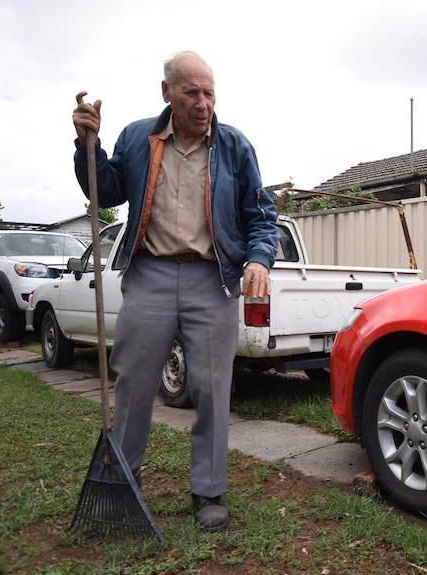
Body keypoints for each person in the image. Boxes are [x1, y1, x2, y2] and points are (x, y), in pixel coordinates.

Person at [72, 50, 279, 532]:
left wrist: (258, 258)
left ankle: (208, 492)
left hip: (213, 278)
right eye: (191, 92)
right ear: (167, 92)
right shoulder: (138, 137)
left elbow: (260, 215)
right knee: (134, 383)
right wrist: (89, 144)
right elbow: (105, 189)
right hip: (151, 275)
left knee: (211, 389)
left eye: (208, 92)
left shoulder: (234, 146)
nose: (202, 103)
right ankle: (123, 481)